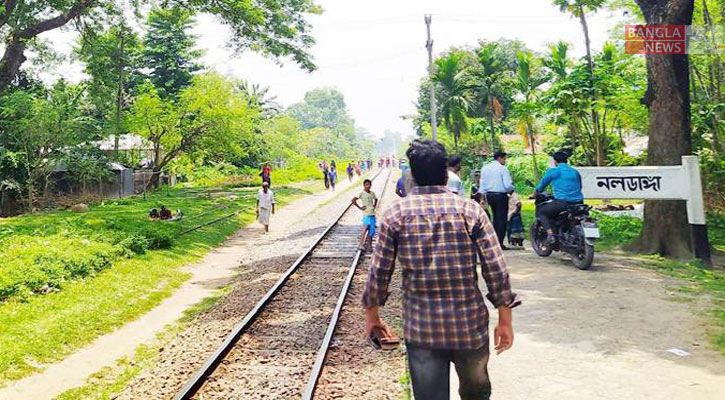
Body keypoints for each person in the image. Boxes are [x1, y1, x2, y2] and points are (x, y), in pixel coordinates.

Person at [362, 139, 520, 400]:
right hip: (470, 327)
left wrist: (372, 316)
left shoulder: (395, 214)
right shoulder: (470, 211)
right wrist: (505, 320)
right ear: (446, 172)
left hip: (422, 330)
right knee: (477, 395)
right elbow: (496, 268)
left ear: (412, 175)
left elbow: (379, 273)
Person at [533, 150, 584, 244]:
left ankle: (550, 234)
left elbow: (541, 186)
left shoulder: (554, 171)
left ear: (555, 161)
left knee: (542, 211)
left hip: (562, 203)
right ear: (566, 161)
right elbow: (580, 186)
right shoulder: (575, 172)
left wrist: (534, 194)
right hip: (579, 203)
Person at [479, 151, 514, 248]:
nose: (505, 161)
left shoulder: (485, 168)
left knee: (494, 218)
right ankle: (499, 242)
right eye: (504, 159)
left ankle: (493, 240)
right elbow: (507, 185)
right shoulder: (503, 169)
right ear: (500, 158)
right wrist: (512, 189)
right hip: (501, 196)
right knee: (501, 219)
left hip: (490, 195)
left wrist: (482, 197)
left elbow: (482, 185)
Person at [351, 179, 378, 251]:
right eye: (366, 185)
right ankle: (360, 244)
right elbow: (353, 200)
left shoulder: (372, 193)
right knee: (365, 228)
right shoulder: (361, 193)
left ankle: (369, 245)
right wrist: (360, 207)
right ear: (364, 185)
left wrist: (374, 206)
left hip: (372, 214)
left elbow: (376, 199)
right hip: (366, 214)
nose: (368, 186)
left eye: (369, 185)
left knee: (372, 231)